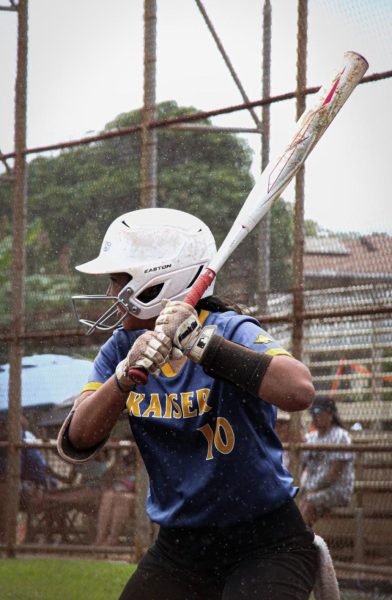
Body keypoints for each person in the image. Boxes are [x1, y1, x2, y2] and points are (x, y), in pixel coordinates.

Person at [57, 208, 319, 600]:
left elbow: (300, 390)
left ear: (156, 283)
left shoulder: (229, 329)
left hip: (265, 541)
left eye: (119, 281)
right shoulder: (120, 349)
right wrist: (122, 378)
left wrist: (201, 345)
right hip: (181, 548)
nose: (112, 294)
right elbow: (78, 440)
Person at [299, 396, 354, 528]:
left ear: (330, 414)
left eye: (318, 413)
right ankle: (306, 540)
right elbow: (299, 464)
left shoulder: (341, 436)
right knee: (295, 503)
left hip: (337, 490)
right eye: (312, 413)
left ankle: (300, 542)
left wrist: (311, 491)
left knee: (308, 502)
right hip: (312, 490)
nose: (314, 416)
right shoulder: (311, 437)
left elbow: (334, 475)